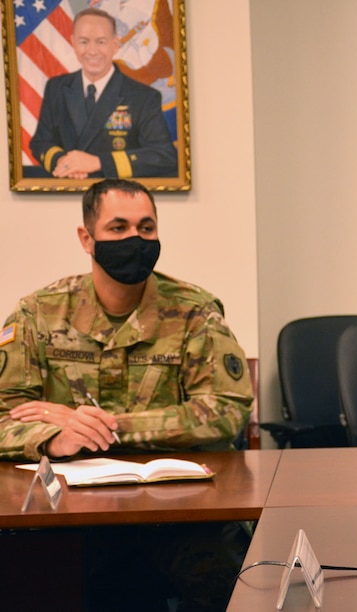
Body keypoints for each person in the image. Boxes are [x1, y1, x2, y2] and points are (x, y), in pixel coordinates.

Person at [0, 178, 253, 610]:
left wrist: (102, 426)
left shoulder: (194, 311)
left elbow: (225, 411)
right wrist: (54, 437)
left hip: (182, 511)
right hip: (69, 512)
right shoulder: (39, 313)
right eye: (118, 228)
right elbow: (5, 414)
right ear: (87, 237)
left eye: (146, 228)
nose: (135, 239)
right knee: (28, 576)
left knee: (234, 582)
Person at [28, 7, 178, 180]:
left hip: (117, 195)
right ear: (73, 43)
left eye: (101, 42)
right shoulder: (56, 88)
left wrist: (99, 162)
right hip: (66, 191)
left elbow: (164, 156)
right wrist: (64, 162)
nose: (92, 51)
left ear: (115, 45)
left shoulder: (144, 97)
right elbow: (41, 143)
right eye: (84, 42)